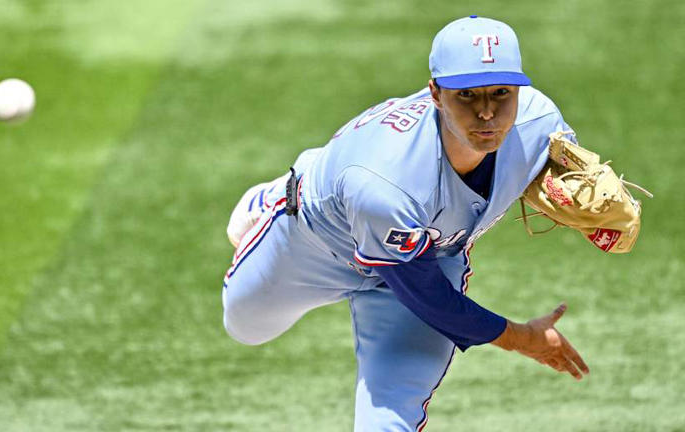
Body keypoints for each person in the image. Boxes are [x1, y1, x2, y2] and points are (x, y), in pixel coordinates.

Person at [221, 15, 590, 431]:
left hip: (429, 251)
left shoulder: (541, 125)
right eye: (467, 94)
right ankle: (277, 195)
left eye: (501, 92)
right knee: (245, 326)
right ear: (435, 94)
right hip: (316, 244)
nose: (487, 111)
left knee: (392, 415)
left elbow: (578, 179)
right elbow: (428, 296)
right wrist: (522, 338)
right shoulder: (385, 181)